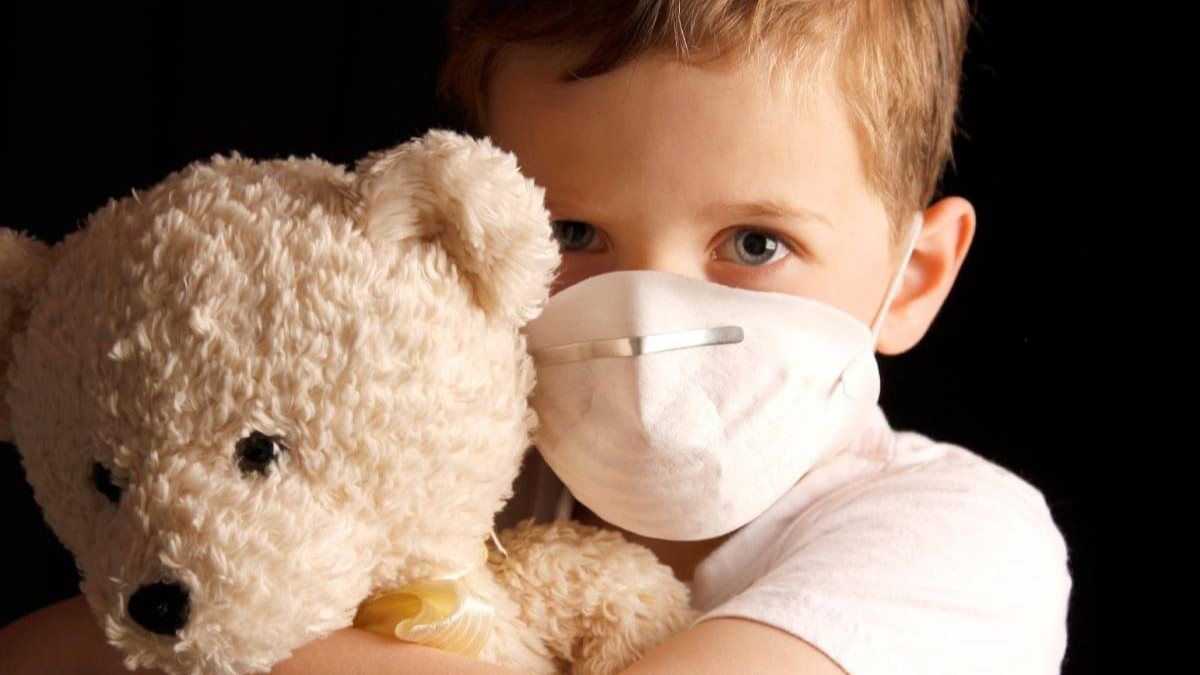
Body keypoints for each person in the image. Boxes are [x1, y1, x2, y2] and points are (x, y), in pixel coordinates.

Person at [0, 1, 1072, 674]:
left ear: (913, 277)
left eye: (755, 242)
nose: (647, 314)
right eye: (573, 233)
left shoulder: (959, 540)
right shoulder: (438, 479)